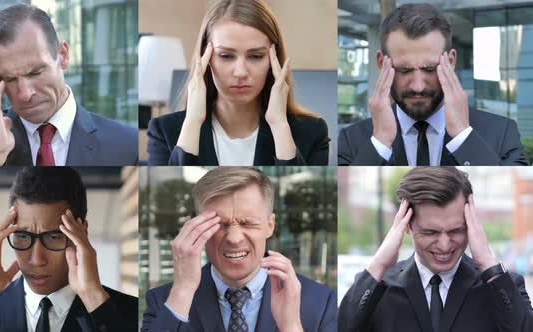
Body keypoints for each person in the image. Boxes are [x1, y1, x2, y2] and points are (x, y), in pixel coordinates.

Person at [0, 167, 138, 332]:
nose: (36, 260)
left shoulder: (130, 312)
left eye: (53, 237)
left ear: (82, 232)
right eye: (23, 236)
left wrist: (94, 299)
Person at [338, 167, 533, 331]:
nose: (444, 245)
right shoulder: (378, 289)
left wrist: (487, 262)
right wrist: (379, 264)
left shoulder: (502, 287)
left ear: (471, 224)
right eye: (430, 232)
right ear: (407, 225)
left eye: (456, 230)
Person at [142, 167, 336, 331]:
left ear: (270, 226)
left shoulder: (321, 302)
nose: (234, 239)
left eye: (248, 223)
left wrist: (291, 326)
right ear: (197, 227)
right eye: (220, 224)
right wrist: (182, 292)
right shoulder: (164, 301)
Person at [338, 3, 528, 166]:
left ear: (451, 61)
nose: (418, 86)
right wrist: (380, 143)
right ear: (381, 63)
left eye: (429, 69)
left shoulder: (502, 133)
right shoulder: (352, 140)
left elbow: (515, 205)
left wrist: (463, 137)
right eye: (404, 70)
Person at [0, 4, 138, 166]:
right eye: (10, 78)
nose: (25, 94)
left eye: (35, 72)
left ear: (62, 55)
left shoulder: (127, 145)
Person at [147, 0, 330, 166]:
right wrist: (193, 122)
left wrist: (280, 126)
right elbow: (169, 199)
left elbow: (301, 201)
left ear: (273, 60)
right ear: (206, 58)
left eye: (256, 56)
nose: (241, 72)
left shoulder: (312, 132)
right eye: (226, 56)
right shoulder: (165, 131)